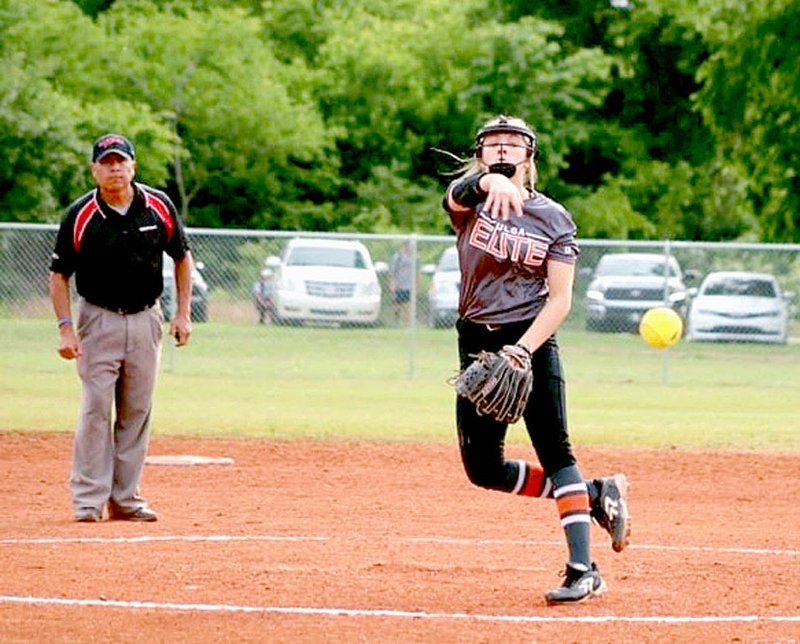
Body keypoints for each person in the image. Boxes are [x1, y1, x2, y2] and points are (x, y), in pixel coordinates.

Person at [443, 115, 630, 605]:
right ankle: (594, 495)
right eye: (493, 145)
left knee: (556, 452)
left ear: (529, 157)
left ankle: (582, 570)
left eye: (513, 145)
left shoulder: (553, 217)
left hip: (531, 342)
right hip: (477, 345)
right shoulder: (468, 206)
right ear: (482, 155)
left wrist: (523, 350)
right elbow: (456, 194)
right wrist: (485, 182)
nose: (503, 150)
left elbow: (561, 299)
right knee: (483, 469)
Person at [49, 133, 194, 523]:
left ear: (133, 166)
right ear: (95, 169)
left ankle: (126, 498)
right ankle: (88, 500)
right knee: (96, 408)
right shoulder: (81, 215)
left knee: (137, 410)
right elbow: (59, 274)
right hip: (98, 319)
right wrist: (66, 328)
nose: (115, 168)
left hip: (147, 318)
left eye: (121, 161)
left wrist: (183, 313)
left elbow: (182, 257)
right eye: (106, 162)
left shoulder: (158, 206)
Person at [389, 240, 414, 326]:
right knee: (397, 304)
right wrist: (392, 283)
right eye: (408, 246)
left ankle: (408, 323)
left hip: (409, 285)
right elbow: (393, 271)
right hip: (399, 285)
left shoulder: (413, 257)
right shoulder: (398, 257)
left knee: (408, 304)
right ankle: (395, 321)